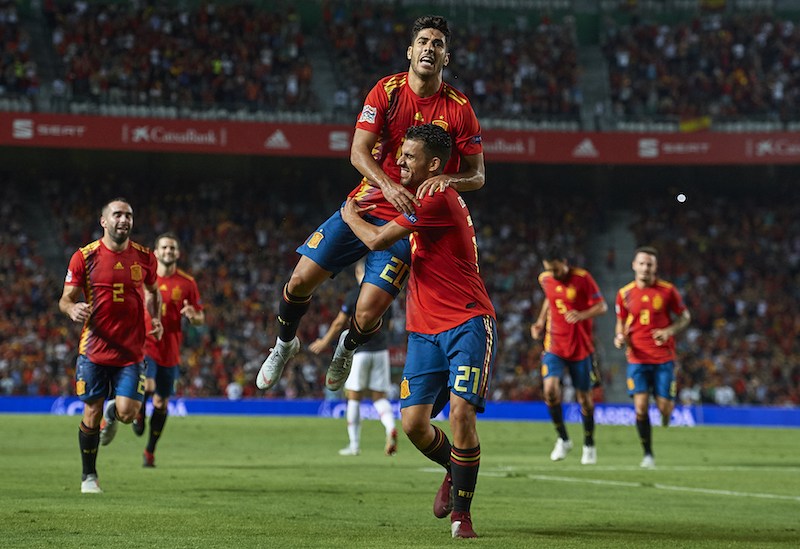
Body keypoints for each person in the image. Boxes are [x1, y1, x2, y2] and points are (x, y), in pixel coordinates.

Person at [256, 14, 485, 395]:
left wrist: (450, 179)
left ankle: (347, 348)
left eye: (438, 44)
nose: (430, 48)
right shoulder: (387, 90)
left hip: (407, 219)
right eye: (424, 42)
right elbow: (358, 152)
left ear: (446, 57)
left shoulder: (459, 109)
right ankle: (284, 345)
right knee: (297, 282)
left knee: (366, 313)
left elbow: (477, 175)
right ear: (410, 51)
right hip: (364, 205)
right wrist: (388, 185)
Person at [341, 124, 496, 539]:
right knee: (412, 425)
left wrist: (349, 215)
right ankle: (455, 467)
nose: (400, 162)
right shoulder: (426, 197)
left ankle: (462, 517)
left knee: (461, 414)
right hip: (424, 329)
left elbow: (375, 240)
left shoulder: (434, 198)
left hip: (466, 321)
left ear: (432, 164)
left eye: (408, 157)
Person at [59, 198, 163, 493]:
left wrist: (155, 319)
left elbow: (154, 292)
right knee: (90, 412)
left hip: (131, 352)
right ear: (103, 221)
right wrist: (71, 309)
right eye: (117, 214)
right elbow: (65, 298)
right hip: (95, 349)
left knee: (129, 413)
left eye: (128, 215)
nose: (124, 219)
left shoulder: (145, 257)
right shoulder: (84, 256)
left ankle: (113, 414)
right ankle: (88, 476)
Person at [309, 259, 398, 456]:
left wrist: (324, 342)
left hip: (359, 351)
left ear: (358, 272)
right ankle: (390, 428)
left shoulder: (353, 296)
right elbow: (390, 326)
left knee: (353, 399)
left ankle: (354, 445)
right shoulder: (387, 295)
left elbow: (339, 323)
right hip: (381, 351)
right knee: (379, 398)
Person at [614, 246, 691, 469]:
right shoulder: (624, 293)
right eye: (642, 264)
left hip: (663, 357)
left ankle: (666, 414)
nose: (645, 268)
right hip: (637, 357)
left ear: (655, 267)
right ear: (634, 266)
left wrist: (669, 331)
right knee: (640, 407)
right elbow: (621, 320)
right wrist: (619, 336)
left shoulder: (667, 291)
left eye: (649, 264)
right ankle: (648, 454)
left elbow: (685, 317)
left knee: (665, 408)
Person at [132, 232, 205, 467]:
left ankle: (150, 451)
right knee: (149, 386)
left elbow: (200, 317)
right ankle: (139, 412)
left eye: (172, 248)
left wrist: (194, 317)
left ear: (178, 253)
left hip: (171, 351)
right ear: (155, 252)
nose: (168, 251)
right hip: (146, 345)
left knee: (162, 404)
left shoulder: (187, 283)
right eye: (164, 247)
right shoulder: (142, 280)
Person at [531, 245, 607, 465]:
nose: (554, 274)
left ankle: (589, 444)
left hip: (581, 348)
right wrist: (539, 321)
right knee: (550, 390)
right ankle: (563, 439)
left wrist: (582, 314)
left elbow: (602, 307)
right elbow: (549, 298)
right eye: (549, 270)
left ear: (564, 262)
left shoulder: (583, 278)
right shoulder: (545, 279)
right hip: (554, 345)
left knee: (586, 401)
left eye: (556, 269)